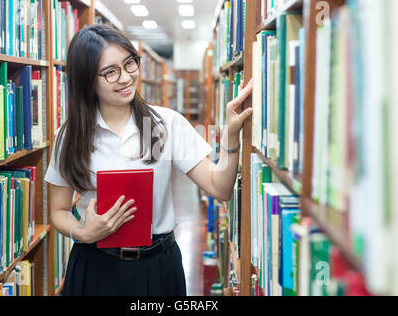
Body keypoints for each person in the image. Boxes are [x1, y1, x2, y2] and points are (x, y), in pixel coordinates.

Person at [44, 24, 253, 296]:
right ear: (87, 80)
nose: (126, 78)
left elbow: (220, 188)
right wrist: (81, 232)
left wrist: (231, 138)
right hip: (95, 265)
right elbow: (59, 211)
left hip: (159, 266)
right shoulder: (70, 135)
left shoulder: (167, 123)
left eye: (129, 64)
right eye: (110, 72)